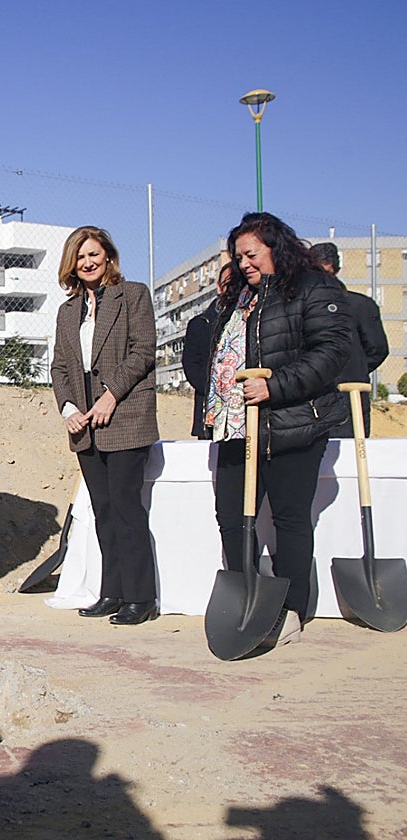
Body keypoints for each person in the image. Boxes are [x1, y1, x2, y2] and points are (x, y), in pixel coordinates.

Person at [205, 212, 350, 647]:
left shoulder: (313, 288)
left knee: (289, 519)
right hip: (237, 426)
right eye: (238, 257)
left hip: (292, 423)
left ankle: (290, 610)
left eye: (251, 254)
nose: (244, 263)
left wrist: (275, 386)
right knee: (232, 517)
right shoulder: (241, 297)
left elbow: (332, 351)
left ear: (276, 246)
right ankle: (247, 601)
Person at [51, 226, 159, 626]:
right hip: (85, 426)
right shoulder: (68, 311)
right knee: (104, 511)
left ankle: (140, 597)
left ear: (108, 256)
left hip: (125, 417)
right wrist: (68, 409)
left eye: (94, 254)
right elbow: (60, 366)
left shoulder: (133, 295)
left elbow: (143, 350)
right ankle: (112, 591)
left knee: (127, 508)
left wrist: (111, 395)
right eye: (80, 257)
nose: (88, 262)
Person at [307, 241, 388, 437]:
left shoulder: (360, 305)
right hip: (312, 401)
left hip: (351, 399)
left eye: (325, 273)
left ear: (336, 270)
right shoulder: (301, 307)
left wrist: (351, 370)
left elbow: (377, 349)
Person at [181, 268, 230, 439]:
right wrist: (215, 389)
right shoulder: (199, 324)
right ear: (219, 287)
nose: (232, 289)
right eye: (228, 284)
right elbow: (191, 365)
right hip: (208, 411)